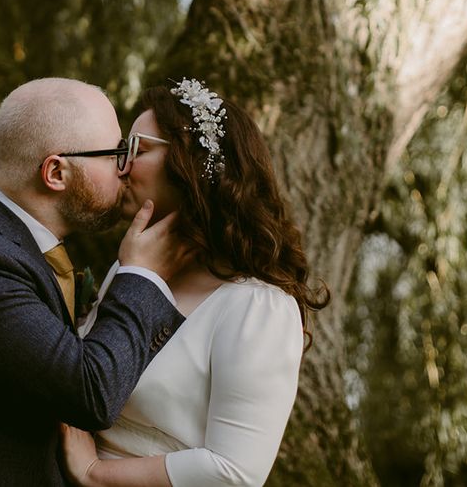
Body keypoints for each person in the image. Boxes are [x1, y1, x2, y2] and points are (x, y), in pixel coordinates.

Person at [0, 77, 189, 486]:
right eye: (114, 154)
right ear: (56, 172)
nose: (126, 168)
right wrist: (143, 275)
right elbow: (90, 393)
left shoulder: (26, 251)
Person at [61, 78, 330, 487]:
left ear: (192, 163)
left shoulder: (257, 309)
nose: (121, 166)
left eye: (137, 149)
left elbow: (234, 473)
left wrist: (95, 474)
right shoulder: (131, 270)